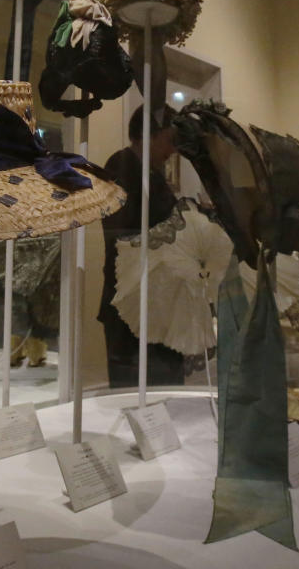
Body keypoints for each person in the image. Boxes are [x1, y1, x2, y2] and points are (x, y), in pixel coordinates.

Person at [97, 104, 184, 388]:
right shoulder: (121, 165)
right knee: (135, 392)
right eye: (170, 140)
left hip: (154, 295)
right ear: (149, 134)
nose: (173, 150)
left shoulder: (150, 173)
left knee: (162, 389)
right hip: (133, 297)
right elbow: (124, 233)